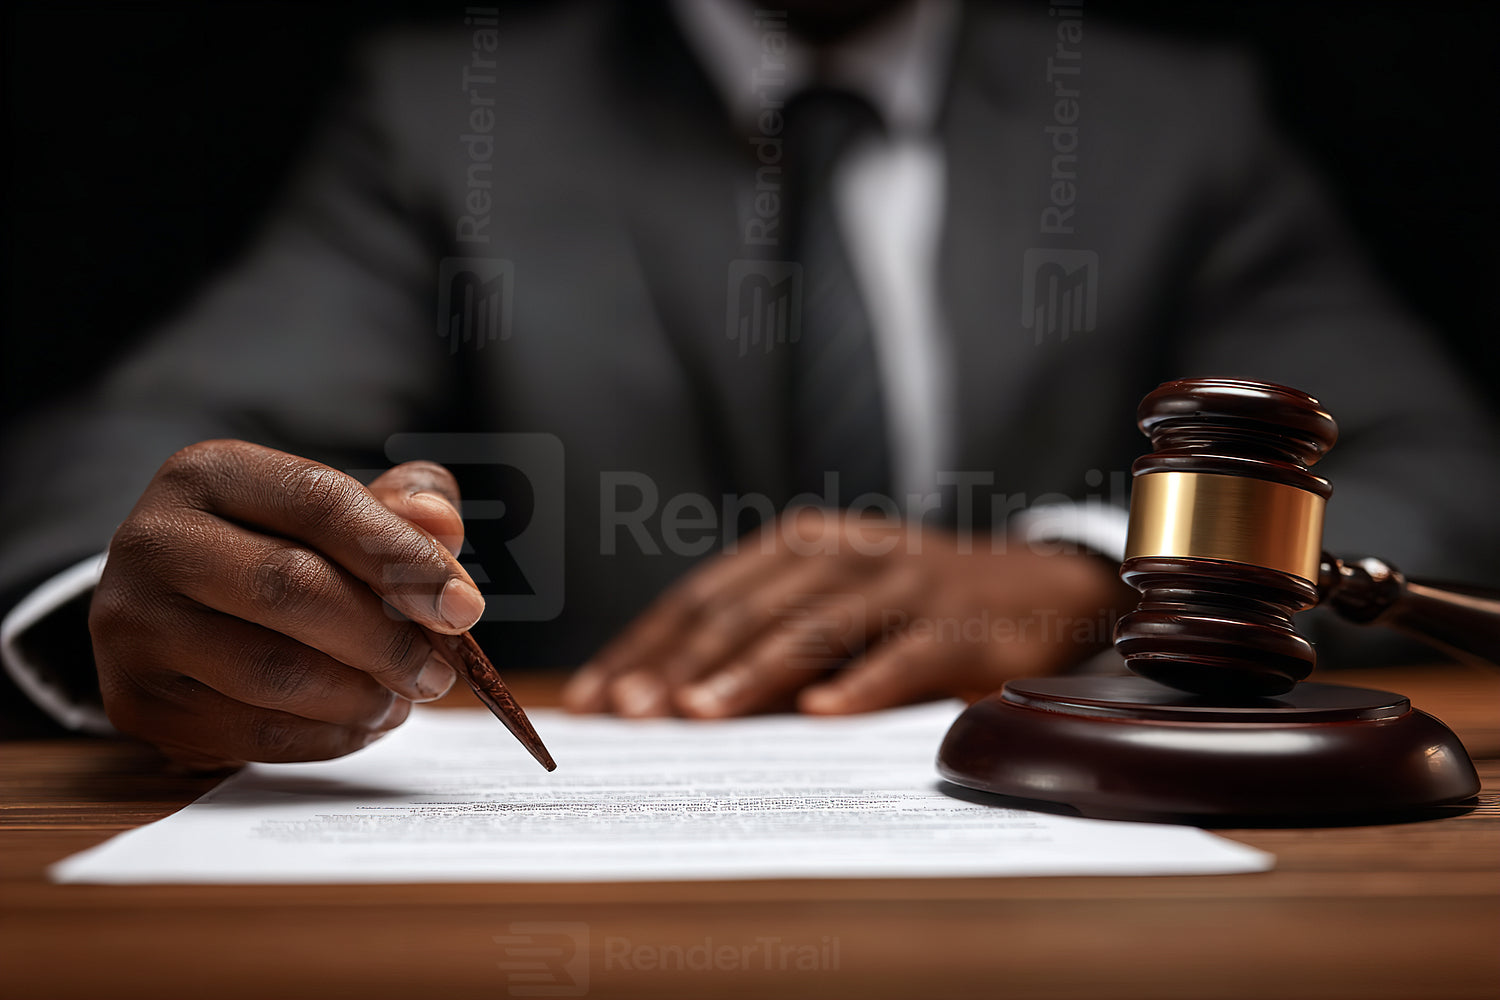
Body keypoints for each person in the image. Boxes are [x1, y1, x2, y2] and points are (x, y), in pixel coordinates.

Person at [2, 0, 1496, 767]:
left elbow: (1443, 479)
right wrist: (168, 605)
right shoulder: (449, 116)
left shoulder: (1172, 123)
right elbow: (146, 448)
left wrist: (1097, 575)